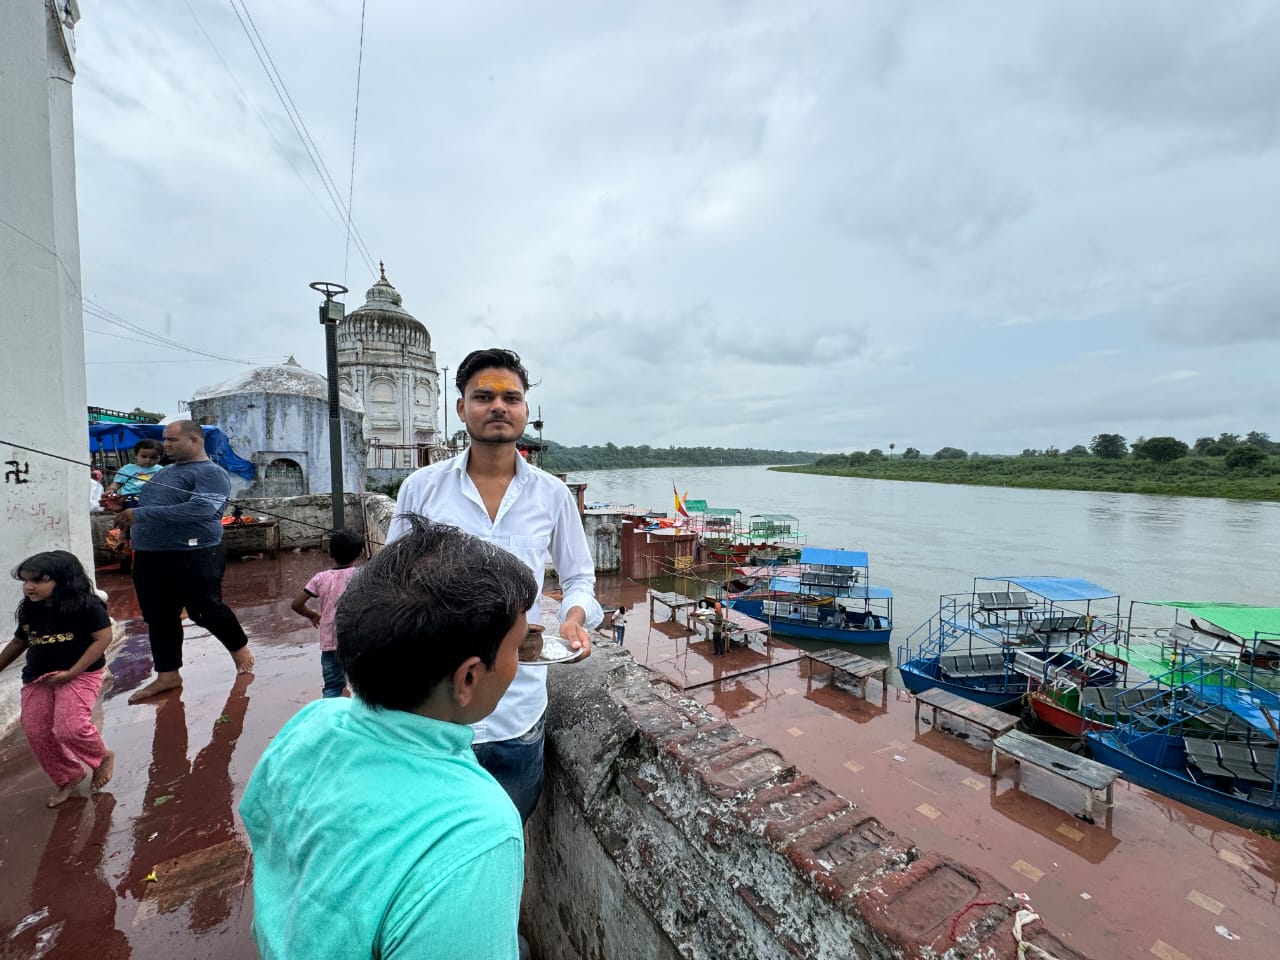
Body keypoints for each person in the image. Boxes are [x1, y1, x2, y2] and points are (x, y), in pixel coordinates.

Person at [240, 518, 536, 960]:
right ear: (469, 677)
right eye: (519, 646)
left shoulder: (315, 721)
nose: (521, 658)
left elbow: (262, 823)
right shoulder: (477, 829)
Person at [389, 347, 602, 824]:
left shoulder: (552, 495)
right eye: (484, 396)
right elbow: (390, 584)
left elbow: (579, 577)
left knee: (506, 838)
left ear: (525, 410)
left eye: (512, 397)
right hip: (433, 711)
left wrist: (573, 617)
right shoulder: (421, 489)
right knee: (429, 846)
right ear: (461, 408)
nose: (499, 406)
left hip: (516, 712)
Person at [106, 420, 254, 703]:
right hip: (150, 554)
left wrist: (141, 516)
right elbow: (146, 508)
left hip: (194, 553)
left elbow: (203, 509)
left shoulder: (211, 473)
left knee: (205, 609)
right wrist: (124, 514)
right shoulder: (164, 473)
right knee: (159, 616)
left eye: (172, 439)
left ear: (195, 441)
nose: (166, 445)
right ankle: (167, 673)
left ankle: (239, 648)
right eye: (166, 439)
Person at [0, 551, 115, 807]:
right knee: (37, 731)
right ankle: (67, 775)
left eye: (38, 580)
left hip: (80, 674)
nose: (29, 587)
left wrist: (72, 672)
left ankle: (101, 756)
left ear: (63, 579)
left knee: (70, 727)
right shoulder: (31, 609)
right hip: (38, 677)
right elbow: (20, 641)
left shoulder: (88, 606)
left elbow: (102, 639)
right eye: (25, 581)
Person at [290, 529, 364, 698]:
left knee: (332, 687)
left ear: (330, 552)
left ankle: (330, 718)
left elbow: (296, 604)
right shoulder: (361, 575)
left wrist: (313, 615)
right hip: (355, 639)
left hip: (330, 642)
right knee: (362, 686)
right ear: (359, 554)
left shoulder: (320, 578)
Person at [104, 439, 165, 507]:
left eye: (153, 457)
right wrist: (111, 489)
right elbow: (117, 484)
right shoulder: (127, 469)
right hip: (128, 496)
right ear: (136, 455)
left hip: (150, 497)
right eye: (144, 456)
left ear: (160, 458)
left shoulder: (161, 470)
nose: (148, 460)